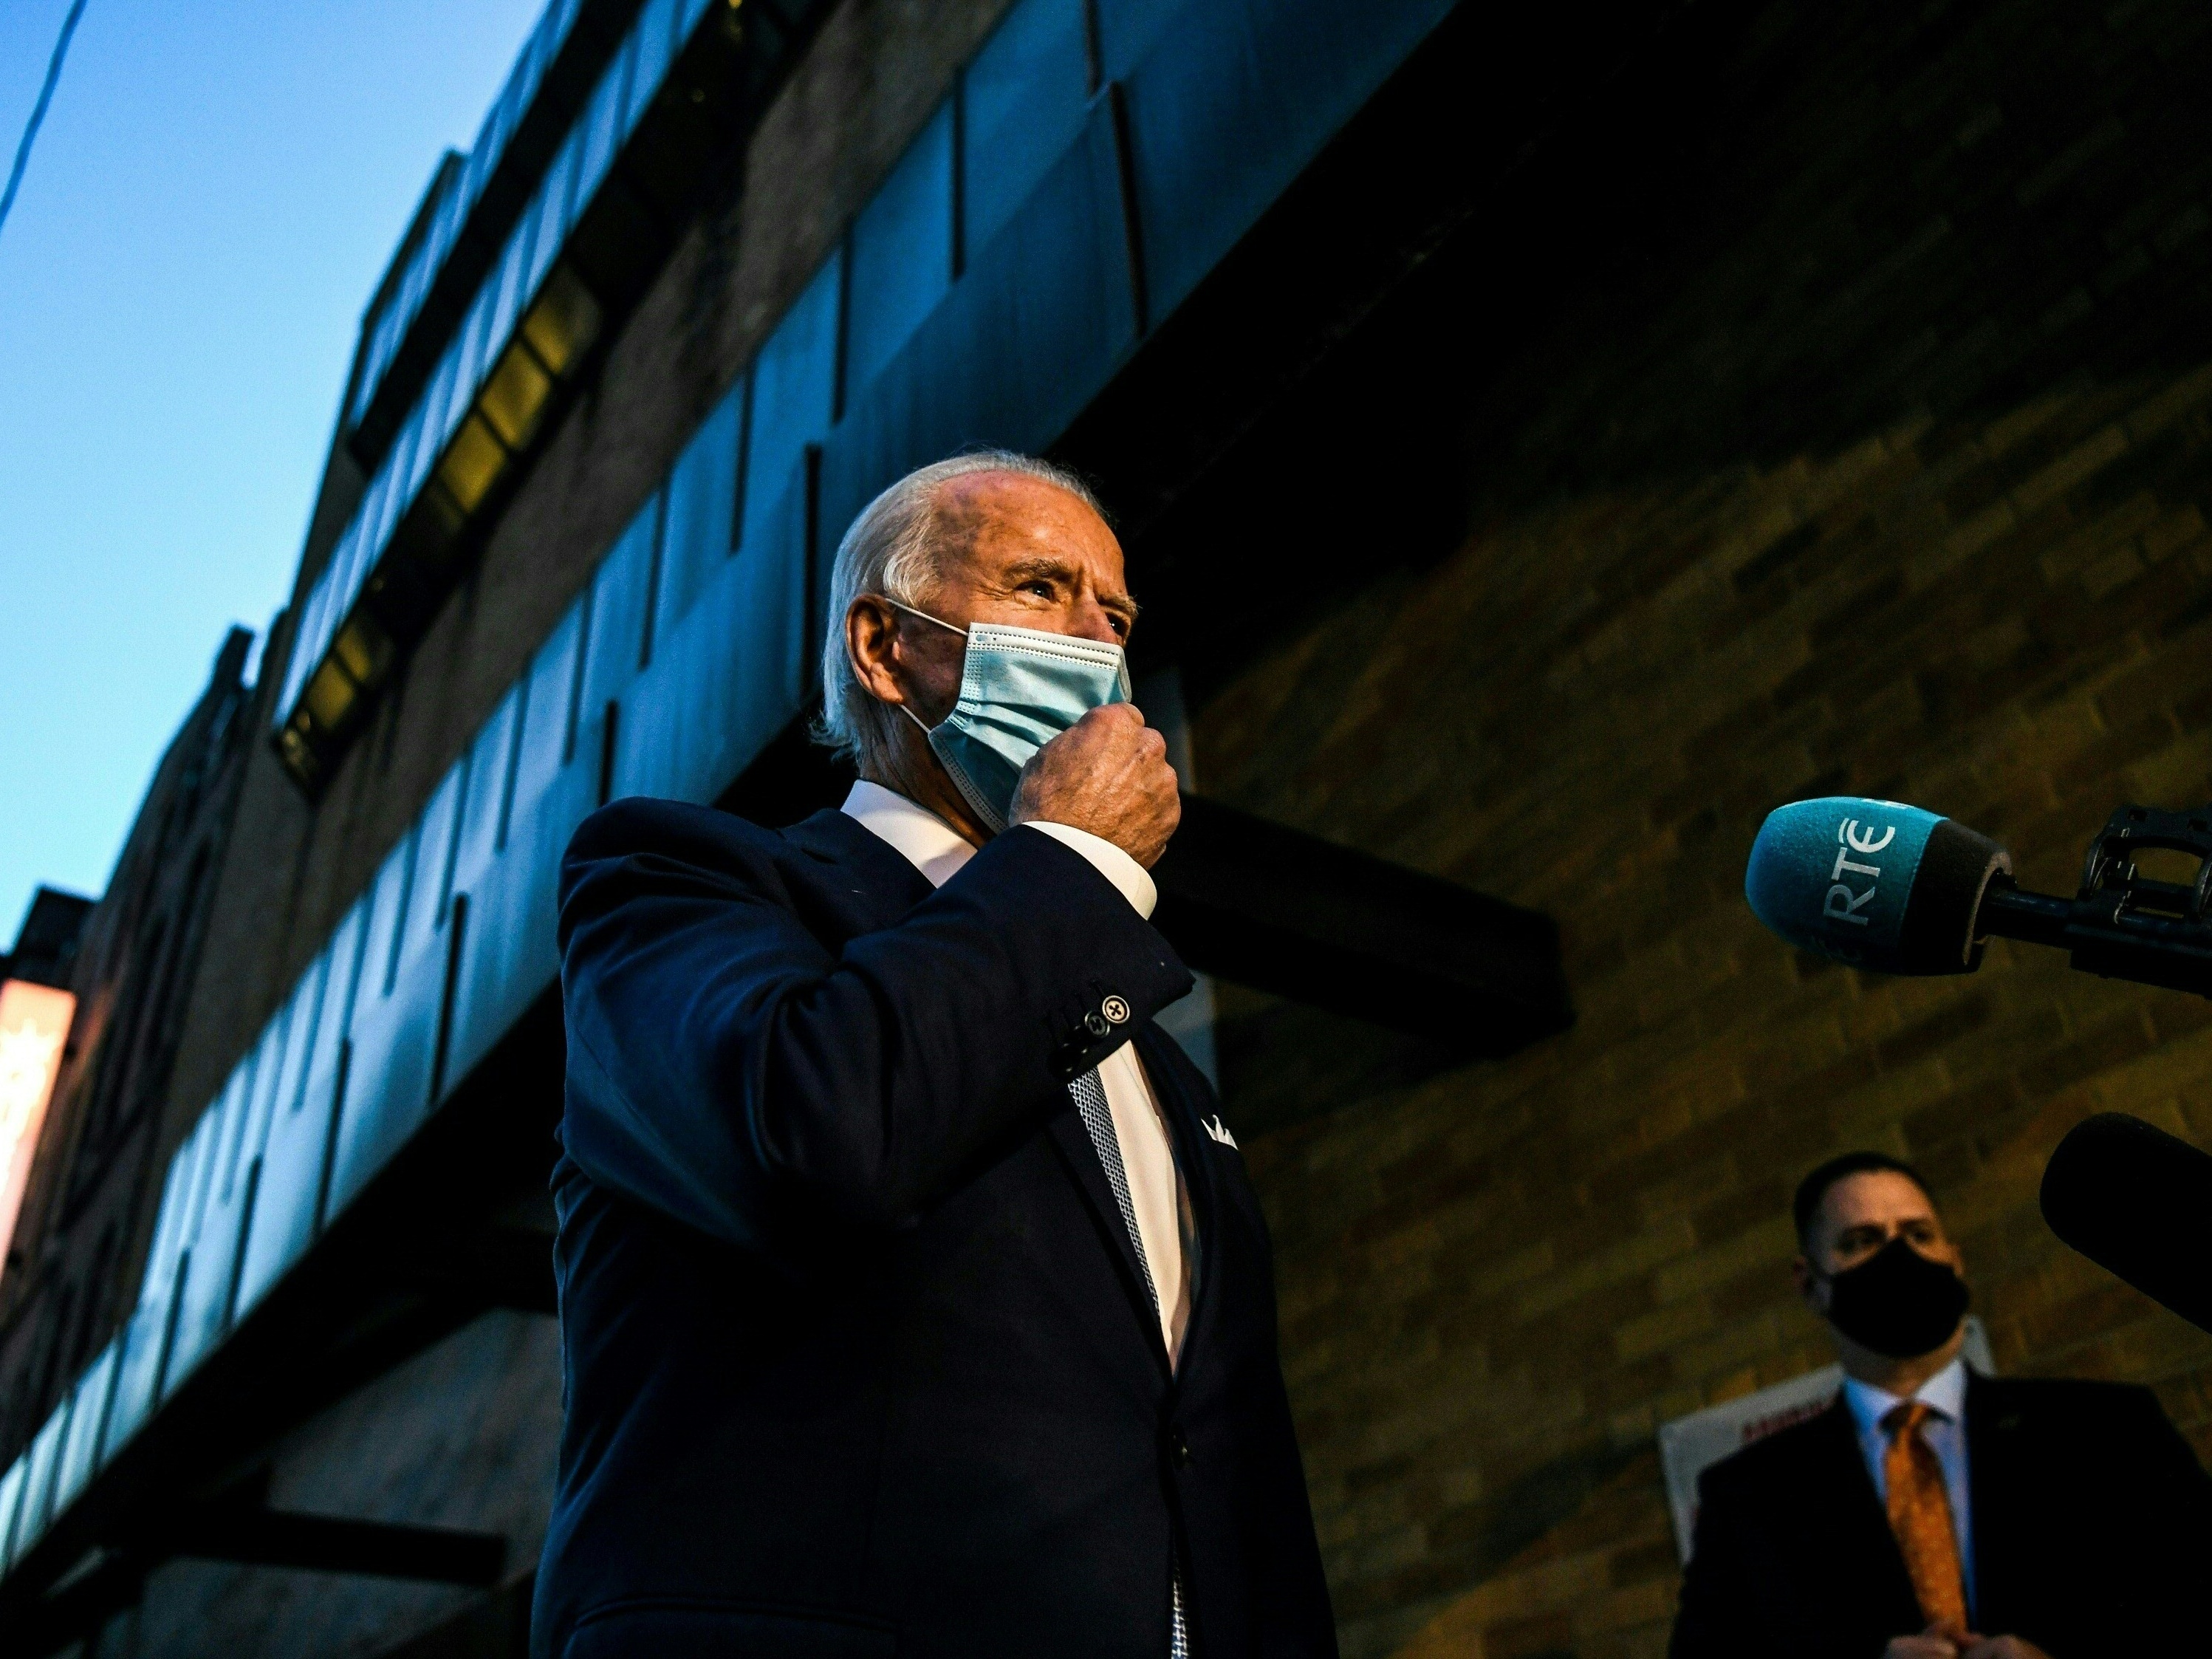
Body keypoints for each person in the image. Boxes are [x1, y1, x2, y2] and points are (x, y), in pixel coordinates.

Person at [531, 451, 1338, 1659]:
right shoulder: (683, 882)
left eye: (1114, 612)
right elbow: (815, 1133)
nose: (1094, 641)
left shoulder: (1158, 1064)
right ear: (884, 646)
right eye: (1039, 586)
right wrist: (1071, 856)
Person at [1670, 1150, 2212, 1658]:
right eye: (1861, 1241)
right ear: (1809, 1284)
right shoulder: (1748, 1499)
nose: (1898, 1257)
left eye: (1918, 1234)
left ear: (1953, 1260)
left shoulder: (2109, 1431)